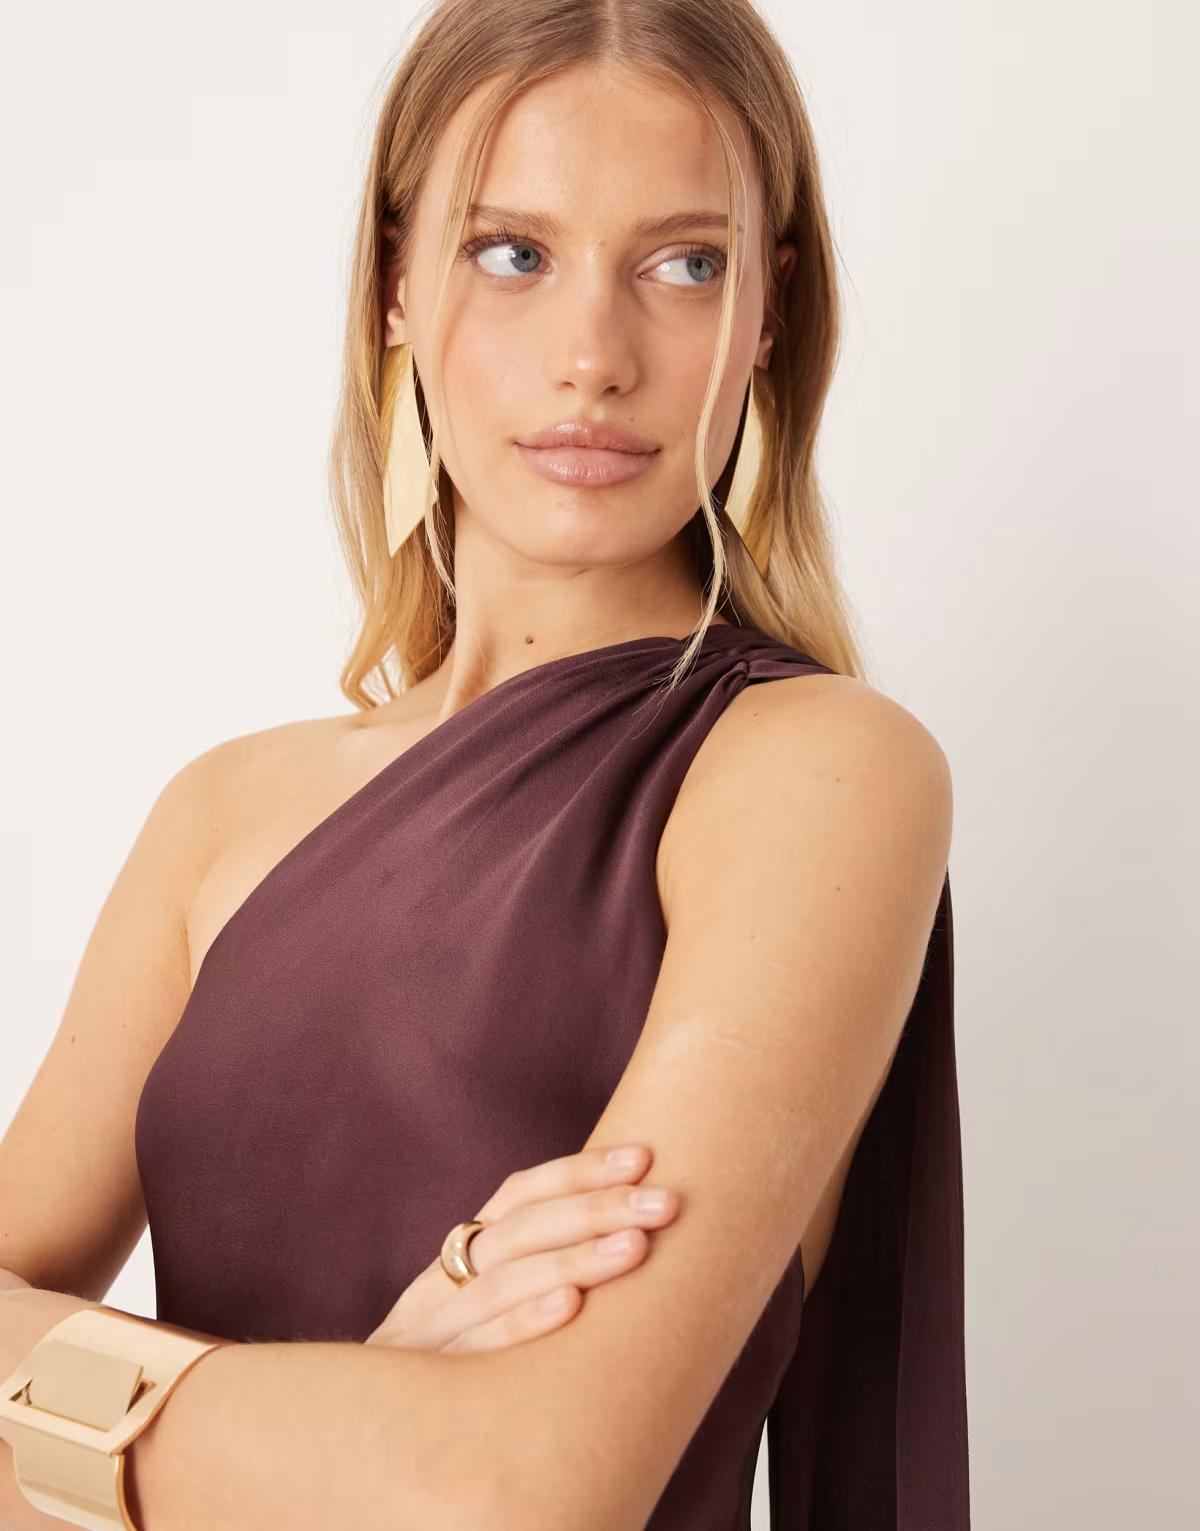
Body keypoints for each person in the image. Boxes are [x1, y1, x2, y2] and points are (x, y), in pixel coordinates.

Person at [0, 2, 969, 1528]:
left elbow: (520, 1491)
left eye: (684, 265)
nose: (593, 358)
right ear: (396, 284)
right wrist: (383, 1398)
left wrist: (85, 1419)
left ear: (767, 316)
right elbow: (442, 1475)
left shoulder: (818, 776)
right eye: (512, 252)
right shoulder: (222, 812)